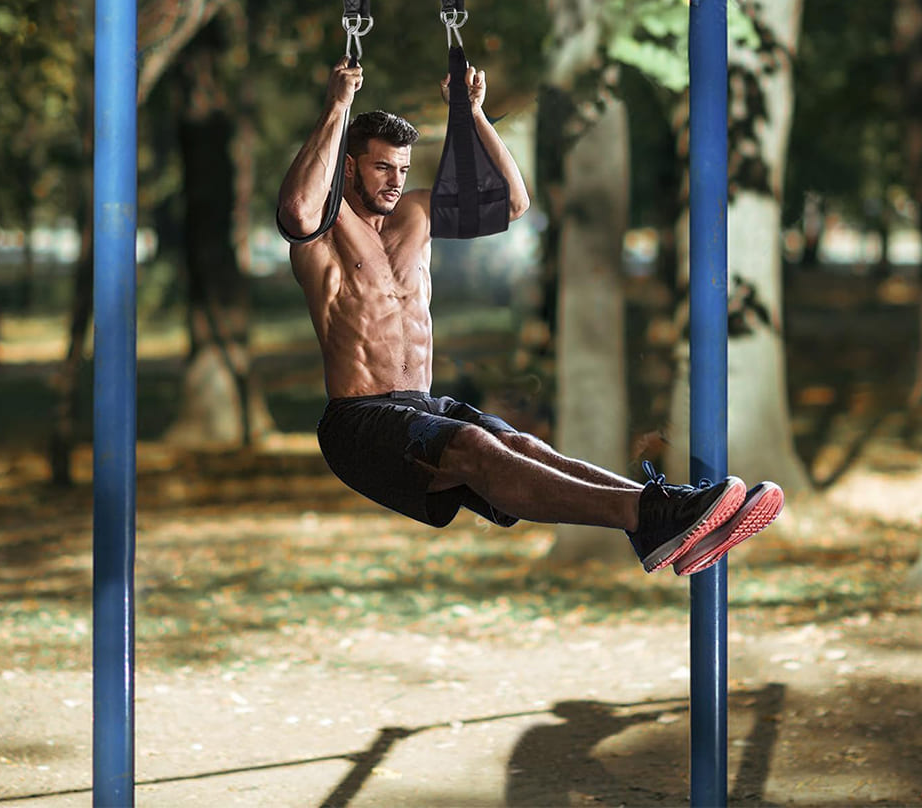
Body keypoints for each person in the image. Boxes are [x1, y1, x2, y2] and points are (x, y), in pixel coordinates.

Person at [276, 56, 783, 576]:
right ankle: (648, 514)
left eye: (403, 169)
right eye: (383, 167)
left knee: (517, 442)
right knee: (475, 444)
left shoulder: (416, 214)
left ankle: (669, 514)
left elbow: (514, 202)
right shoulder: (324, 228)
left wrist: (473, 113)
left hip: (421, 404)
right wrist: (338, 106)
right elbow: (295, 209)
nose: (395, 182)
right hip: (360, 421)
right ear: (350, 165)